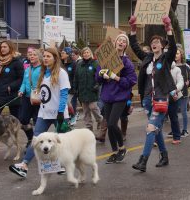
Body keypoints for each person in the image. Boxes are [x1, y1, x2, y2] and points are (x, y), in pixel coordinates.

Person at [9, 47, 70, 178]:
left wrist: (60, 112)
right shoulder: (43, 73)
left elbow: (64, 94)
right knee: (36, 140)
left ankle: (62, 164)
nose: (46, 58)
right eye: (45, 56)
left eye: (49, 56)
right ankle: (24, 166)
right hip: (44, 112)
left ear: (55, 58)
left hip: (58, 113)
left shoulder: (61, 73)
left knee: (62, 141)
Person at [129, 15, 176, 172]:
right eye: (152, 43)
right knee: (155, 130)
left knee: (150, 128)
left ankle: (143, 161)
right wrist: (133, 30)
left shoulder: (166, 58)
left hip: (161, 99)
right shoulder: (147, 58)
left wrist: (168, 28)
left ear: (162, 46)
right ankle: (164, 156)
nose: (154, 44)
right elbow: (135, 46)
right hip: (148, 99)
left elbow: (174, 47)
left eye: (157, 42)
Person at [96, 33, 137, 164]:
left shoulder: (127, 62)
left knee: (113, 123)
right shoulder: (106, 59)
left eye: (124, 41)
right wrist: (102, 75)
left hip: (120, 96)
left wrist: (116, 77)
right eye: (119, 39)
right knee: (109, 124)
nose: (121, 42)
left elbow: (131, 81)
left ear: (126, 46)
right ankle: (114, 152)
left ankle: (122, 148)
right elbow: (97, 78)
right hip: (107, 96)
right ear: (115, 43)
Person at [0, 41, 24, 153]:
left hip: (12, 96)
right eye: (1, 47)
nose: (2, 49)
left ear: (10, 48)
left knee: (18, 121)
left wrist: (11, 86)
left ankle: (30, 138)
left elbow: (21, 78)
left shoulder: (17, 61)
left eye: (5, 47)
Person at [74, 47, 103, 132]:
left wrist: (97, 85)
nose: (86, 54)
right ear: (82, 54)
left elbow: (99, 76)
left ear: (90, 53)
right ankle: (89, 128)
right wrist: (75, 88)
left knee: (93, 107)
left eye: (87, 52)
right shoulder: (79, 64)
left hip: (92, 90)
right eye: (84, 53)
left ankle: (100, 120)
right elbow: (76, 77)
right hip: (82, 91)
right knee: (86, 111)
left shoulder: (96, 63)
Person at [18, 49, 42, 148]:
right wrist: (21, 90)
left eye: (34, 55)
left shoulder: (43, 69)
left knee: (37, 121)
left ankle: (38, 143)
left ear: (39, 57)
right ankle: (31, 138)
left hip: (37, 98)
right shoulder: (27, 69)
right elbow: (24, 82)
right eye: (30, 55)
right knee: (23, 120)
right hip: (27, 97)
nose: (31, 56)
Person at [174, 47, 190, 137]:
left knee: (183, 112)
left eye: (177, 53)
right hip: (173, 92)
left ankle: (185, 130)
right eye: (175, 53)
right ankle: (175, 129)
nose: (176, 55)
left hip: (183, 93)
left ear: (181, 55)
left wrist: (189, 82)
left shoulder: (186, 66)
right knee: (173, 112)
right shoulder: (171, 65)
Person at [167, 61, 184, 144]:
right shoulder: (159, 67)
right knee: (158, 119)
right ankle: (156, 139)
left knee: (173, 117)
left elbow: (180, 82)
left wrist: (174, 90)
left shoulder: (176, 69)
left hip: (174, 97)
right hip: (161, 96)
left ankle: (177, 137)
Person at [60, 47, 77, 124]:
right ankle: (67, 117)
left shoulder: (73, 64)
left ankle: (73, 116)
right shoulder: (61, 64)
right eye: (61, 52)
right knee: (65, 103)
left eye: (63, 53)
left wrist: (74, 88)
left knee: (66, 102)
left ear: (68, 54)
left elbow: (75, 77)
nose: (61, 54)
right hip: (62, 87)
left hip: (70, 88)